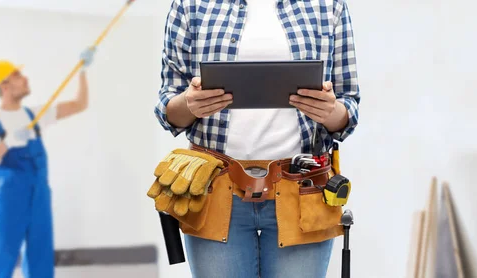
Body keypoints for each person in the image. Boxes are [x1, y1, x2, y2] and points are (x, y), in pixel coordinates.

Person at [151, 0, 360, 277]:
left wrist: (329, 111)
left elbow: (348, 106)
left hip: (302, 190)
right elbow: (169, 108)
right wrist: (189, 104)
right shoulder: (191, 5)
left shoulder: (328, 5)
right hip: (215, 190)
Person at [0, 48, 96, 278]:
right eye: (18, 75)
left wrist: (83, 72)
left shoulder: (36, 115)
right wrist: (5, 144)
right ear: (4, 86)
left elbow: (79, 104)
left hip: (39, 195)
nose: (25, 78)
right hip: (9, 200)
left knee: (40, 260)